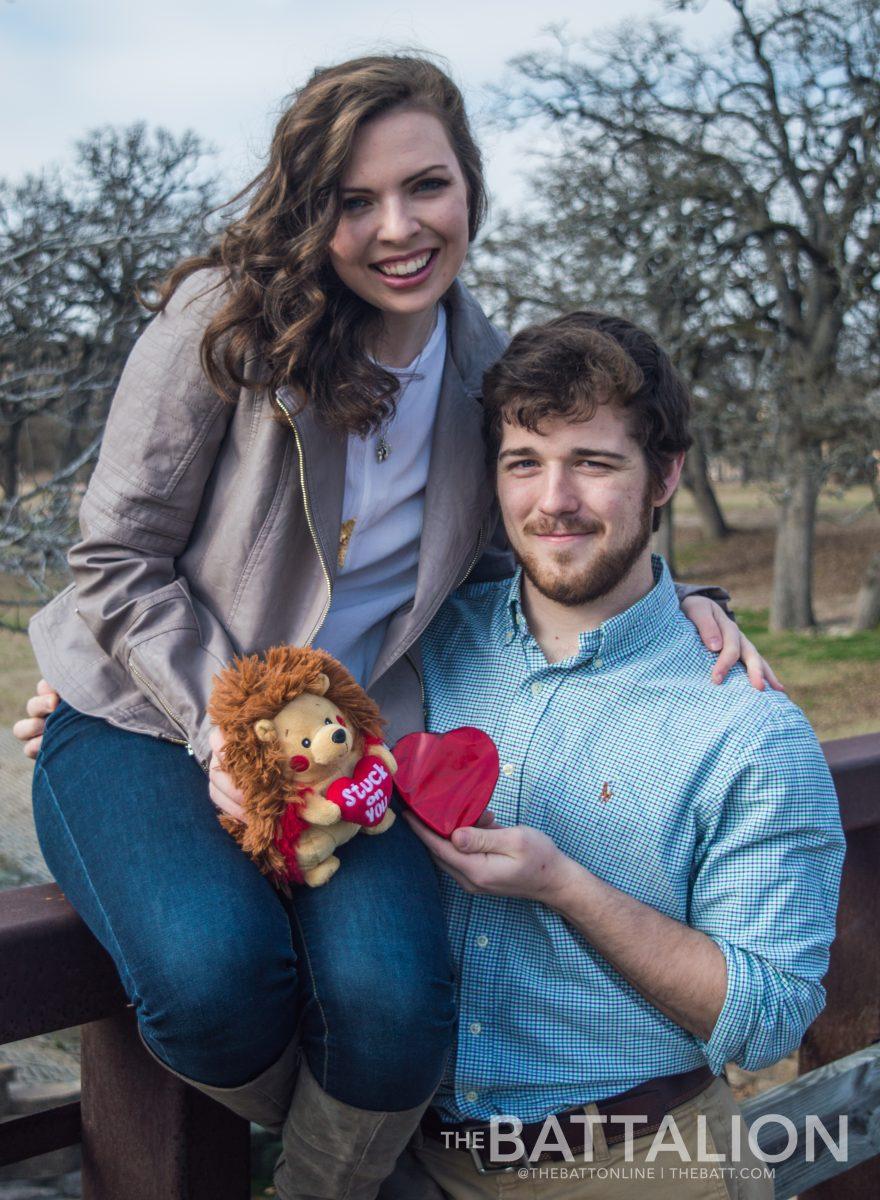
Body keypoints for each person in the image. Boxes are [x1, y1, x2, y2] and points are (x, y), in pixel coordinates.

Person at [13, 56, 772, 1200]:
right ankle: (385, 1166)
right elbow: (115, 561)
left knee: (396, 1002)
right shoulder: (220, 326)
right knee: (213, 975)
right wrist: (227, 729)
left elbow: (512, 554)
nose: (398, 228)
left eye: (428, 186)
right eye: (354, 201)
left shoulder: (483, 374)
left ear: (470, 184)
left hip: (345, 745)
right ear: (309, 210)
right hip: (142, 707)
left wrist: (683, 605)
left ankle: (330, 1182)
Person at [391, 312, 845, 1199]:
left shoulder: (746, 729)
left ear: (665, 474)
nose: (552, 499)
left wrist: (567, 887)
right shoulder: (424, 646)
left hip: (641, 1165)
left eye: (593, 464)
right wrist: (96, 699)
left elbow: (769, 1019)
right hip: (410, 1161)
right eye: (525, 463)